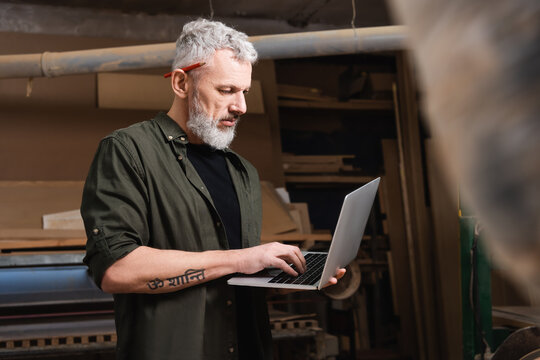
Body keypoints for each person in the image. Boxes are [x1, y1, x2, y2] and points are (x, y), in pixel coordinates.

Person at [81, 18, 344, 360]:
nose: (241, 107)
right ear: (181, 83)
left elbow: (237, 272)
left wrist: (294, 273)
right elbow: (116, 270)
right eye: (226, 90)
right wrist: (242, 258)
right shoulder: (129, 151)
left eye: (244, 92)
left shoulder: (242, 172)